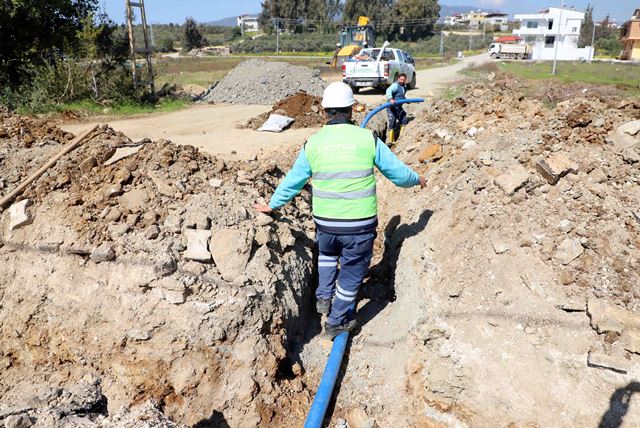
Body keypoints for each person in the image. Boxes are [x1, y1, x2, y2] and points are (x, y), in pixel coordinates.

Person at [254, 82, 425, 339]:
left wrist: (272, 204)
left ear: (324, 112)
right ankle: (336, 321)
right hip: (359, 224)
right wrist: (417, 179)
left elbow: (294, 180)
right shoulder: (366, 139)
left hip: (326, 222)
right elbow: (398, 174)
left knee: (327, 254)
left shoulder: (313, 143)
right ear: (352, 110)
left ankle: (323, 297)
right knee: (352, 271)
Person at [385, 73, 408, 143]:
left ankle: (401, 139)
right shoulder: (395, 85)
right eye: (401, 79)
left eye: (403, 80)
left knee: (404, 119)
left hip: (399, 107)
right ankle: (391, 141)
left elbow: (402, 95)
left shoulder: (404, 86)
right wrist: (391, 98)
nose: (402, 81)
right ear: (398, 79)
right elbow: (388, 91)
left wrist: (406, 100)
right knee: (392, 122)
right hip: (392, 108)